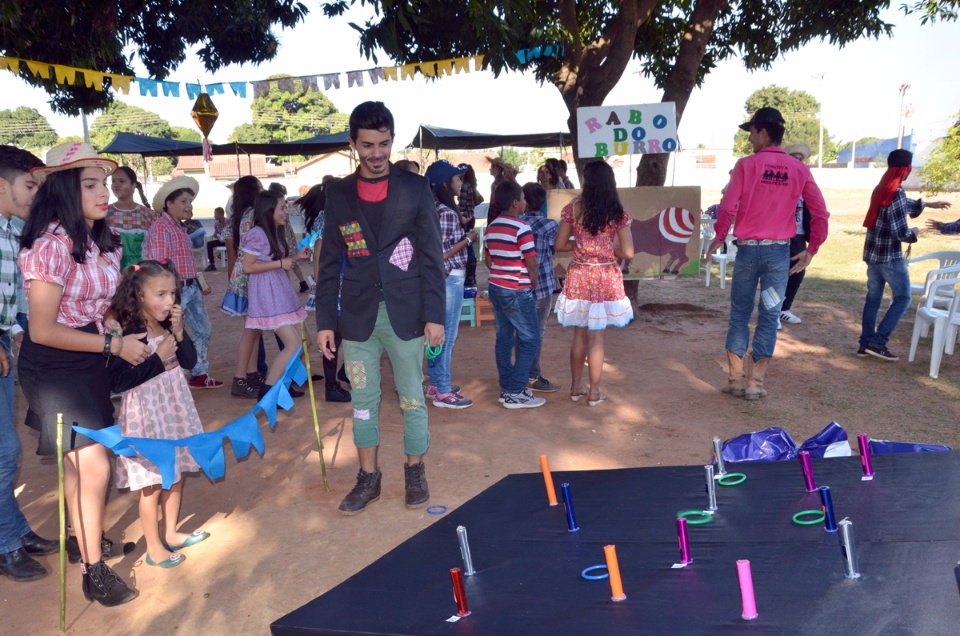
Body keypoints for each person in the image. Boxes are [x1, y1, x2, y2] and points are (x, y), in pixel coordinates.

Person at [18, 142, 151, 605]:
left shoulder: (99, 239)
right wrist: (114, 343)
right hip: (55, 368)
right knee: (93, 464)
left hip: (88, 358)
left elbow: (94, 305)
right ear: (62, 191)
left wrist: (110, 321)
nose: (105, 193)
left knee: (81, 466)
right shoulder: (49, 245)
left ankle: (82, 540)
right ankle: (94, 572)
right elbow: (42, 328)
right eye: (90, 185)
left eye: (104, 183)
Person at [315, 101, 444, 515]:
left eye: (384, 144)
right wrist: (324, 322)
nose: (376, 154)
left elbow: (431, 257)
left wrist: (436, 316)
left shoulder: (415, 188)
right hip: (356, 321)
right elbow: (329, 261)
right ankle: (368, 477)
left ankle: (414, 469)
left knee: (411, 398)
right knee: (363, 401)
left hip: (407, 317)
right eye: (367, 145)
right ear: (353, 143)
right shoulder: (336, 194)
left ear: (391, 140)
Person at [708, 107, 829, 400]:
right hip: (778, 257)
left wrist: (719, 237)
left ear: (763, 132)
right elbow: (820, 212)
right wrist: (812, 249)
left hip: (748, 255)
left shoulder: (745, 166)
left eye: (751, 132)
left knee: (739, 314)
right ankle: (755, 384)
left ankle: (736, 380)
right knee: (769, 315)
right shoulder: (800, 169)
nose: (749, 138)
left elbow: (727, 207)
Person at [107, 260, 209, 569]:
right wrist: (158, 358)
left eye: (173, 294)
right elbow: (119, 381)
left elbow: (190, 360)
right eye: (161, 294)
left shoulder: (166, 325)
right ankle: (154, 547)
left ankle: (172, 532)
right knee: (152, 482)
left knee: (175, 475)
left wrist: (179, 333)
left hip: (175, 410)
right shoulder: (130, 333)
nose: (169, 302)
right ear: (138, 295)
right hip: (147, 415)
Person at [0, 146, 59, 583]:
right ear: (2, 186)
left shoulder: (12, 228)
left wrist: (17, 334)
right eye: (28, 185)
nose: (33, 195)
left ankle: (15, 532)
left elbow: (16, 295)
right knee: (6, 452)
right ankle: (5, 545)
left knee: (5, 450)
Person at [553, 161, 634, 406]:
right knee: (596, 337)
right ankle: (594, 392)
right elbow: (628, 252)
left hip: (579, 275)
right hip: (605, 276)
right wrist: (609, 250)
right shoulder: (617, 213)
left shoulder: (573, 208)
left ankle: (576, 388)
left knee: (579, 333)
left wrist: (579, 247)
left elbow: (559, 245)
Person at [859, 149, 952, 361]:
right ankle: (878, 342)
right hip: (890, 258)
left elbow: (900, 205)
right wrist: (915, 233)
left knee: (873, 300)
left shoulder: (882, 189)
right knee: (903, 298)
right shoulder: (896, 193)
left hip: (873, 256)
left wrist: (927, 204)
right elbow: (900, 231)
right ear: (907, 169)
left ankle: (865, 343)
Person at [143, 177, 223, 389]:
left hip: (190, 287)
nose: (189, 206)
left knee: (202, 329)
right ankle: (172, 377)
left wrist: (199, 281)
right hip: (176, 290)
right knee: (172, 332)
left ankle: (198, 373)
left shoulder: (179, 228)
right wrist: (167, 294)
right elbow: (159, 264)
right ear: (169, 204)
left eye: (190, 202)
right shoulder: (161, 228)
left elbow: (183, 259)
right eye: (184, 202)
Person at [241, 190, 310, 398]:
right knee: (294, 344)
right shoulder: (257, 233)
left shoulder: (273, 232)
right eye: (282, 207)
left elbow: (273, 260)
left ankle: (281, 387)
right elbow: (248, 267)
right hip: (269, 295)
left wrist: (295, 257)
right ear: (269, 210)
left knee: (302, 342)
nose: (285, 212)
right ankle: (270, 393)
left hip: (280, 292)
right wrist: (281, 262)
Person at [484, 181, 545, 409]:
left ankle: (507, 387)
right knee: (531, 340)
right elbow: (531, 264)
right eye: (523, 197)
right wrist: (533, 286)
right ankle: (516, 391)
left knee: (504, 338)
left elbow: (489, 261)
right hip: (517, 290)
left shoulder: (491, 228)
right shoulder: (522, 228)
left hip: (497, 287)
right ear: (515, 203)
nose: (525, 202)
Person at [425, 159, 476, 409]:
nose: (460, 183)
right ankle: (443, 391)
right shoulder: (445, 212)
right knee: (447, 336)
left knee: (438, 335)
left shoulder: (431, 209)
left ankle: (436, 382)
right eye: (456, 179)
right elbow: (438, 255)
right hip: (449, 278)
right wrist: (467, 240)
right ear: (445, 184)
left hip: (442, 280)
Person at [300, 180, 351, 402]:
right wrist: (324, 288)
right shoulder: (328, 217)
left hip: (344, 284)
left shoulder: (342, 214)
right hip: (334, 287)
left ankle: (343, 373)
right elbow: (319, 252)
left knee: (345, 334)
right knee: (333, 336)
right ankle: (331, 386)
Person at [221, 175, 268, 399]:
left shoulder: (239, 215)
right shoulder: (253, 214)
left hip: (243, 275)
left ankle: (251, 374)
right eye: (259, 187)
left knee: (254, 330)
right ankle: (240, 378)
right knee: (251, 330)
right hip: (250, 276)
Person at [519, 182, 561, 393]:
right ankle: (532, 375)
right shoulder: (551, 225)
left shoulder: (516, 223)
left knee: (520, 331)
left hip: (517, 284)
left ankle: (521, 373)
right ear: (543, 202)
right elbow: (557, 248)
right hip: (542, 286)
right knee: (537, 332)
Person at [780, 143, 815, 327]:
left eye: (801, 159)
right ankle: (771, 312)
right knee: (777, 273)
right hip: (779, 233)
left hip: (798, 234)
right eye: (794, 157)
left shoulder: (805, 181)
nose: (798, 162)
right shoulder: (781, 180)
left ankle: (784, 309)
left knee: (797, 272)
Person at [107, 166, 158, 270]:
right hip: (112, 272)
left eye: (122, 181)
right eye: (113, 181)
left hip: (142, 273)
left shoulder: (149, 215)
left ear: (133, 185)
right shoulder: (104, 213)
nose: (116, 185)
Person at [268, 182, 309, 293]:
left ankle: (286, 287)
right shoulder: (283, 203)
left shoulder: (275, 205)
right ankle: (302, 281)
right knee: (292, 260)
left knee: (283, 261)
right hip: (289, 235)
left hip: (282, 235)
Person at [457, 163, 482, 288]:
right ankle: (471, 275)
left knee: (467, 245)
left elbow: (461, 206)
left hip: (465, 218)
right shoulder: (470, 185)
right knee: (469, 245)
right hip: (470, 217)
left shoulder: (463, 186)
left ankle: (470, 274)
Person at [485, 156, 519, 224]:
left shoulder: (496, 183)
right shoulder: (505, 180)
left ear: (496, 168)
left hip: (496, 216)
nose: (490, 169)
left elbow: (496, 203)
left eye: (492, 167)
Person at [204, 206, 226, 272]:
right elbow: (215, 234)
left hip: (228, 241)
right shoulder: (216, 224)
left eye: (216, 214)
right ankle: (212, 263)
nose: (214, 216)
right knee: (209, 244)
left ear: (221, 214)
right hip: (220, 240)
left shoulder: (229, 222)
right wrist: (216, 235)